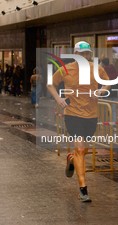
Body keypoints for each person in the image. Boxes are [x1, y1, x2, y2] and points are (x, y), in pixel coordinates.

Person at [47, 41, 110, 202]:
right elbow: (50, 84)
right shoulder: (66, 69)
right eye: (81, 54)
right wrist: (58, 98)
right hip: (73, 114)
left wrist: (101, 91)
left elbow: (107, 82)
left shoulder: (96, 68)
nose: (84, 56)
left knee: (82, 152)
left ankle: (71, 159)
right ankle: (83, 189)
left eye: (87, 53)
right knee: (81, 149)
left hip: (91, 115)